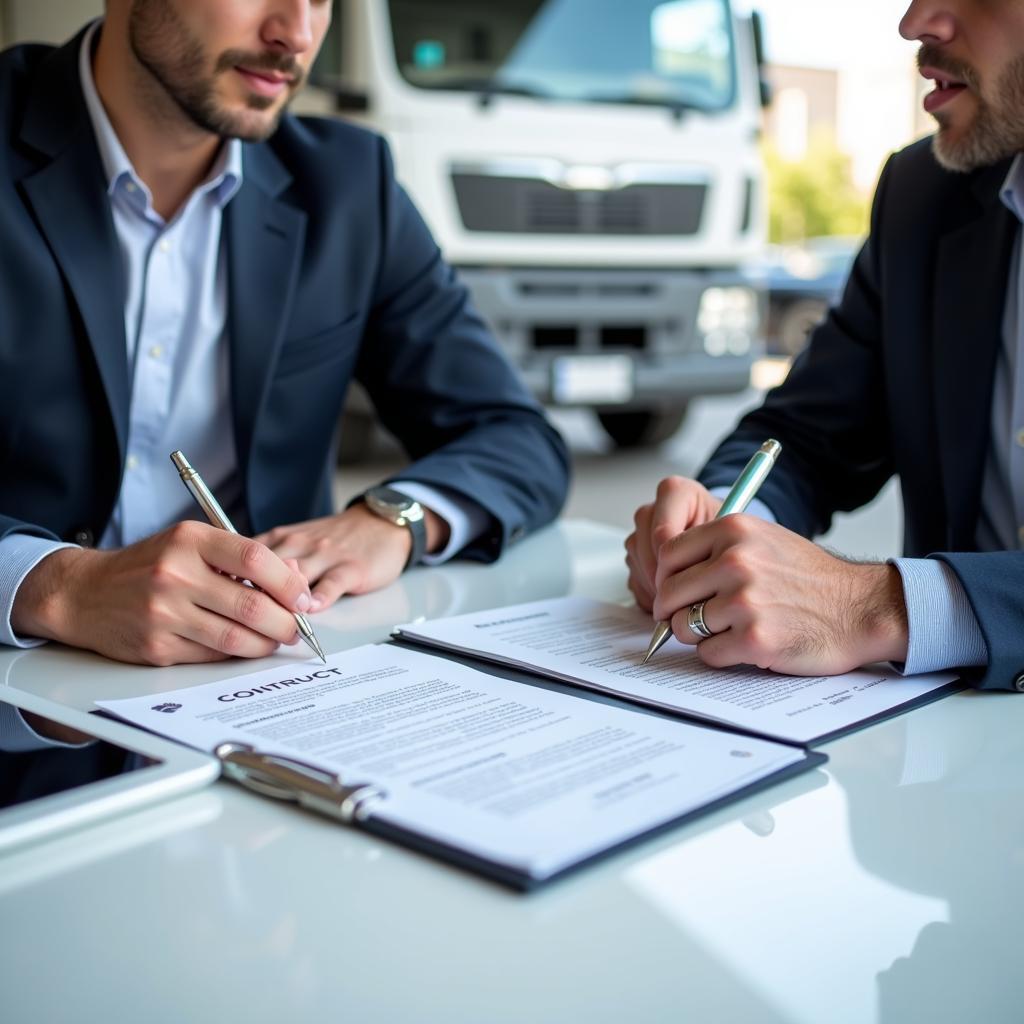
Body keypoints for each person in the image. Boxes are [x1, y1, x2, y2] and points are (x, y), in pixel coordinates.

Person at [0, 1, 569, 668]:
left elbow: (516, 437)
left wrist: (398, 518)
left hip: (265, 693)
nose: (295, 34)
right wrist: (57, 587)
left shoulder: (349, 188)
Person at [626, 0, 1024, 692]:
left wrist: (882, 606)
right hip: (942, 753)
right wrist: (721, 526)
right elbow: (806, 437)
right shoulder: (923, 197)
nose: (916, 21)